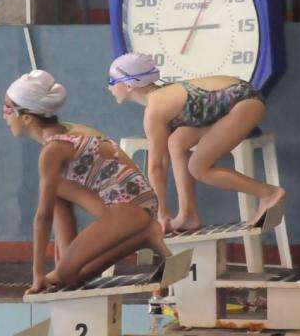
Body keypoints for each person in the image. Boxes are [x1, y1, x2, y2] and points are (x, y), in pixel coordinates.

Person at [3, 69, 171, 295]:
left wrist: (37, 274)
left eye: (7, 109)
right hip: (132, 200)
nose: (3, 115)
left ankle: (145, 234)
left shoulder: (53, 150)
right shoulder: (68, 131)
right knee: (71, 276)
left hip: (128, 206)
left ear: (26, 117)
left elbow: (43, 217)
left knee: (65, 275)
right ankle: (70, 259)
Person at [107, 53, 285, 233]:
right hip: (239, 97)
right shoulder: (162, 96)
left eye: (112, 81)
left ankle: (269, 193)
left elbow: (157, 166)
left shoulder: (155, 109)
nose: (109, 87)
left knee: (199, 168)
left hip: (245, 103)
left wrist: (160, 215)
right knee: (177, 140)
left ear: (129, 84)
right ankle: (188, 215)